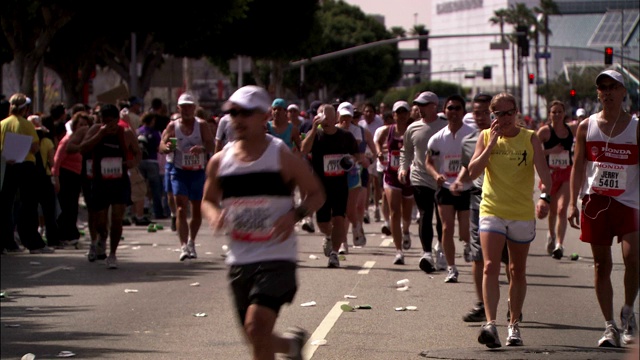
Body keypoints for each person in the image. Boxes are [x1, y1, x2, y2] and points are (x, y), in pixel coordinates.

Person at [201, 85, 325, 360]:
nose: (238, 119)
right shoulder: (220, 162)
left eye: (245, 113)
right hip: (239, 258)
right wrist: (214, 215)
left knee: (256, 327)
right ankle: (292, 346)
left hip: (277, 256)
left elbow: (316, 193)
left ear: (263, 117)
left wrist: (294, 215)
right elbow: (207, 200)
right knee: (255, 336)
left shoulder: (280, 156)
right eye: (233, 113)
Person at [468, 92, 551, 348]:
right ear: (492, 116)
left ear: (516, 113)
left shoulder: (530, 138)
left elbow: (545, 176)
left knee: (516, 270)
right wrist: (491, 145)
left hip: (521, 213)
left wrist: (544, 198)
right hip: (492, 208)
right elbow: (473, 171)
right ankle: (491, 324)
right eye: (498, 114)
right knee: (490, 265)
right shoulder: (485, 137)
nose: (503, 119)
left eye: (508, 113)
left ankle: (514, 324)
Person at [568, 69, 638, 348]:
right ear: (598, 93)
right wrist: (573, 202)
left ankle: (629, 310)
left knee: (633, 259)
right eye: (603, 87)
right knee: (601, 265)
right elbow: (577, 167)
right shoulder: (586, 126)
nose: (607, 92)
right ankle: (610, 326)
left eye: (613, 87)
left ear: (623, 92)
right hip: (595, 202)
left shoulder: (636, 126)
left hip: (630, 201)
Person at [79, 104, 140, 268]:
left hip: (119, 181)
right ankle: (101, 236)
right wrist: (101, 134)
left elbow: (138, 153)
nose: (108, 125)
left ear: (117, 120)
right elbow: (83, 148)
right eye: (104, 122)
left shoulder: (125, 133)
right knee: (100, 220)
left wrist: (132, 162)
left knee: (117, 218)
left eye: (110, 122)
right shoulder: (96, 130)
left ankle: (112, 253)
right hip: (100, 181)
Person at [300, 103, 359, 268]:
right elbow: (304, 150)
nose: (325, 119)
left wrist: (351, 160)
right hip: (320, 186)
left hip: (339, 184)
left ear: (336, 118)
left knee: (339, 217)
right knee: (323, 222)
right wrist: (313, 128)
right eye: (321, 115)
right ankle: (329, 236)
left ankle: (334, 253)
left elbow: (357, 155)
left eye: (328, 116)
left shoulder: (346, 137)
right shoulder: (316, 135)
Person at [159, 93, 215, 261]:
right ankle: (183, 245)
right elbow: (161, 145)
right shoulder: (172, 126)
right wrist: (167, 147)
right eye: (183, 107)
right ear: (179, 108)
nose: (187, 110)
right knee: (181, 208)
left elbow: (211, 144)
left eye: (190, 106)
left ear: (194, 108)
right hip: (179, 171)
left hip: (197, 171)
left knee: (196, 210)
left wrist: (202, 149)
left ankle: (192, 241)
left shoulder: (202, 125)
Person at [426, 94, 475, 283]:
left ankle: (468, 244)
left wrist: (464, 179)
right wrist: (435, 175)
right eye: (450, 108)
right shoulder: (437, 138)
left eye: (457, 108)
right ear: (444, 111)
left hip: (467, 188)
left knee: (464, 232)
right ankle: (452, 267)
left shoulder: (471, 135)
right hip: (445, 188)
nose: (453, 112)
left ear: (463, 112)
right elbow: (428, 161)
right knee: (446, 228)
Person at [0, 93, 54, 254]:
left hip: (7, 165)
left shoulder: (2, 124)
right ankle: (32, 241)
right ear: (25, 109)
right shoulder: (26, 124)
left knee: (5, 204)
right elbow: (34, 147)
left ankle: (6, 242)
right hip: (26, 165)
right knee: (28, 204)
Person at [399, 91, 447, 273]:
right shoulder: (413, 128)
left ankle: (441, 248)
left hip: (442, 179)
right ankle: (427, 253)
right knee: (425, 214)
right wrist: (404, 168)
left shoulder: (445, 126)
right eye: (418, 104)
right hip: (420, 177)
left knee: (442, 218)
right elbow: (406, 151)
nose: (419, 108)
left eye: (423, 104)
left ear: (434, 106)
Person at [375, 101, 414, 265]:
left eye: (405, 112)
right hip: (391, 175)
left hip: (410, 176)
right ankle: (398, 251)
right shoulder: (388, 130)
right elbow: (378, 141)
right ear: (394, 115)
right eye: (399, 112)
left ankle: (405, 231)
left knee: (406, 214)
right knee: (395, 212)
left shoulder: (413, 130)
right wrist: (379, 152)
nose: (402, 115)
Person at [537, 100, 577, 259]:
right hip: (549, 175)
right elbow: (534, 152)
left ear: (564, 113)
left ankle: (560, 244)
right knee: (552, 211)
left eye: (560, 111)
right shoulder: (544, 132)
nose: (557, 115)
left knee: (562, 209)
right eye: (554, 112)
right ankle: (551, 235)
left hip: (566, 173)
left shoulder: (571, 129)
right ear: (549, 114)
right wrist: (551, 151)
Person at [53, 111, 91, 244]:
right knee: (66, 206)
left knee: (73, 206)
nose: (83, 127)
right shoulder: (68, 139)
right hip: (65, 175)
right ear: (75, 125)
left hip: (76, 176)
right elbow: (57, 160)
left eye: (86, 124)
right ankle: (64, 234)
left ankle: (70, 234)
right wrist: (56, 177)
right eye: (81, 124)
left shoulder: (86, 140)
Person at [359, 102, 385, 223]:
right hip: (366, 156)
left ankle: (376, 207)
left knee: (376, 182)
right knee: (367, 181)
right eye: (366, 111)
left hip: (377, 154)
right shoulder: (361, 124)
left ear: (375, 113)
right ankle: (366, 210)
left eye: (371, 111)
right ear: (363, 113)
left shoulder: (379, 123)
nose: (368, 114)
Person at [137, 112, 165, 220]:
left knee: (141, 188)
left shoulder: (138, 131)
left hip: (140, 162)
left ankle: (141, 211)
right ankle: (158, 212)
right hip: (152, 161)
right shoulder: (156, 133)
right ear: (152, 120)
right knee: (155, 189)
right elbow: (159, 147)